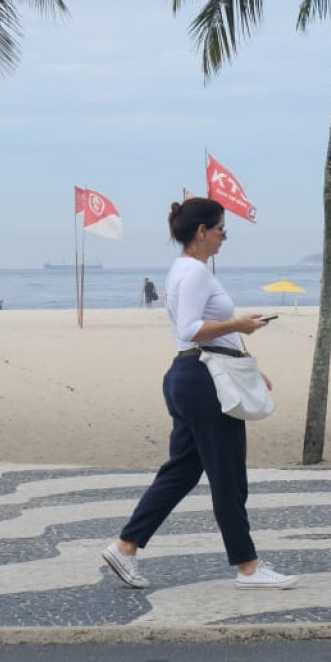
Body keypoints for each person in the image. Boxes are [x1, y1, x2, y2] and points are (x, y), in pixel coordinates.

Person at [102, 197, 296, 590]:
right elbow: (191, 328)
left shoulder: (184, 270)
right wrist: (241, 323)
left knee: (182, 471)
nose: (225, 236)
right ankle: (249, 567)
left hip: (193, 374)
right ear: (202, 232)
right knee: (228, 475)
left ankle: (125, 547)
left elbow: (204, 334)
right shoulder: (195, 273)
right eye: (222, 229)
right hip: (201, 379)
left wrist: (252, 366)